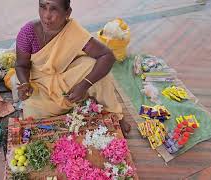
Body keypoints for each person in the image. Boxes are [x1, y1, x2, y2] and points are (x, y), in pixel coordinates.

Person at [14, 0, 131, 136]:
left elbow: (107, 56)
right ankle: (71, 104)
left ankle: (115, 115)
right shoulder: (28, 32)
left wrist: (83, 85)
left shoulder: (73, 31)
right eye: (42, 7)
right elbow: (21, 65)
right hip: (40, 84)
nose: (46, 15)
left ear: (67, 13)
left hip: (66, 77)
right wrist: (24, 83)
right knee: (32, 116)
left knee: (95, 69)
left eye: (54, 9)